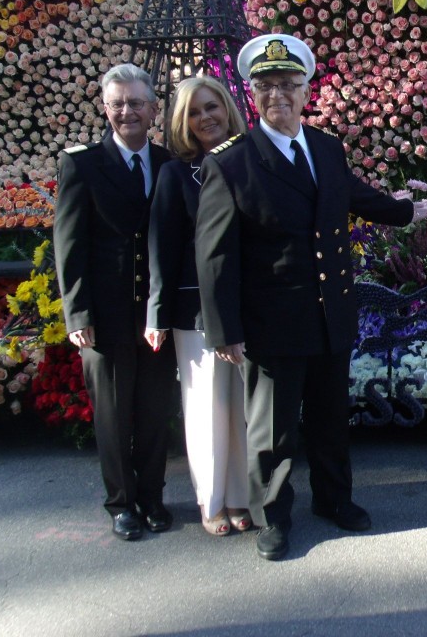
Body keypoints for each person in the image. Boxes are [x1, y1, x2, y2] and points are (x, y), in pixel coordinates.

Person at [195, 33, 427, 561]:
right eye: (266, 85)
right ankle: (274, 518)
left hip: (330, 313)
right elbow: (215, 255)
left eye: (288, 84)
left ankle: (334, 501)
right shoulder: (230, 164)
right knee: (274, 431)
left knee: (331, 418)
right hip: (271, 321)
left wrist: (403, 211)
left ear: (308, 91)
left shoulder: (326, 148)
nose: (278, 94)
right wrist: (223, 329)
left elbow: (352, 195)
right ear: (251, 94)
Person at [54, 63, 177, 541]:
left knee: (153, 409)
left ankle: (152, 496)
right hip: (103, 317)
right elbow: (70, 244)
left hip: (155, 314)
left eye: (136, 102)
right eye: (117, 103)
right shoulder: (82, 164)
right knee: (111, 413)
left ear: (152, 109)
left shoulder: (168, 163)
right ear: (106, 109)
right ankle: (121, 503)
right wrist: (77, 313)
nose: (127, 111)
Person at [144, 77, 250, 537]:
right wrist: (157, 312)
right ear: (182, 123)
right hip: (195, 311)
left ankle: (244, 497)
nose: (206, 117)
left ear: (227, 108)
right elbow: (160, 248)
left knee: (247, 407)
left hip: (252, 306)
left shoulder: (253, 160)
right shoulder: (174, 173)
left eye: (212, 107)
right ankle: (213, 500)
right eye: (194, 112)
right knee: (207, 404)